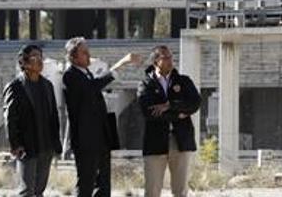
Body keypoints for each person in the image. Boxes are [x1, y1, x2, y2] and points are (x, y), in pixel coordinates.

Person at [62, 37, 141, 197]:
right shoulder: (70, 75)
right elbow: (92, 88)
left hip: (101, 138)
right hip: (85, 141)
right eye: (84, 52)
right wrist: (121, 63)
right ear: (73, 56)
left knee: (104, 185)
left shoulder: (87, 73)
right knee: (86, 184)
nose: (89, 55)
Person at [137, 45, 201, 197]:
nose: (170, 61)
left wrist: (169, 105)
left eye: (171, 57)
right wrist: (179, 114)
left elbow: (195, 103)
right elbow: (149, 112)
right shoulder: (145, 84)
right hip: (155, 142)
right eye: (165, 58)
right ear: (155, 62)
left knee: (180, 191)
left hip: (180, 140)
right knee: (152, 190)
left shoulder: (184, 81)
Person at [3, 44, 63, 197]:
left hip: (46, 146)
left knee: (39, 191)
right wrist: (15, 145)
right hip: (27, 147)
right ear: (24, 63)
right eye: (35, 57)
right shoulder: (15, 87)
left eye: (41, 57)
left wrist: (56, 143)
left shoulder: (48, 85)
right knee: (27, 191)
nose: (40, 61)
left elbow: (53, 115)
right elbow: (9, 117)